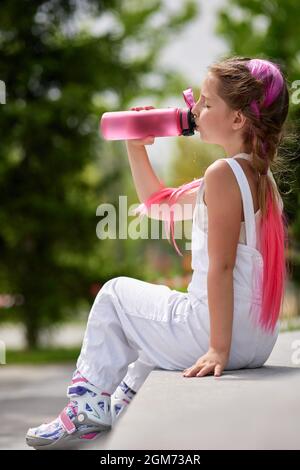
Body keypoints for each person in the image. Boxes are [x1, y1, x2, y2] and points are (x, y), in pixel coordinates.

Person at [25, 56, 290, 450]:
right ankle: (123, 403)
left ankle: (86, 406)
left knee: (114, 294)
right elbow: (159, 203)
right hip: (257, 338)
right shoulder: (259, 175)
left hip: (221, 336)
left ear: (237, 119)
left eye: (206, 102)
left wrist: (217, 347)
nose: (194, 110)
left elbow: (221, 266)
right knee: (156, 321)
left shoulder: (222, 174)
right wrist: (137, 147)